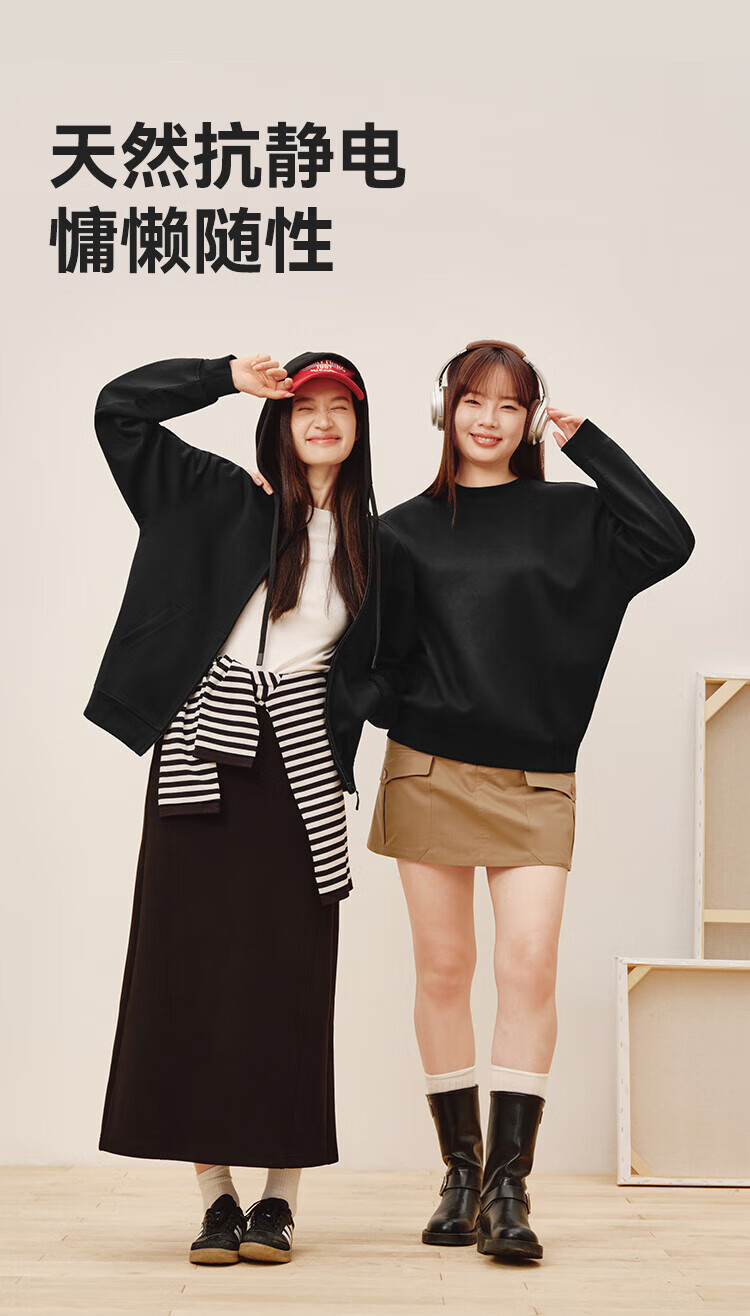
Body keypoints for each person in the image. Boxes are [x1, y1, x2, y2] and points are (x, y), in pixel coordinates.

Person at [365, 339, 695, 1261]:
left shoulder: (575, 516)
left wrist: (590, 444)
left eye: (510, 405)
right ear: (446, 410)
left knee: (529, 967)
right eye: (473, 400)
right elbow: (380, 662)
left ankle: (509, 1188)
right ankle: (460, 1173)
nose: (488, 419)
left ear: (529, 420)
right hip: (429, 769)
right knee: (443, 969)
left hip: (537, 778)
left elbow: (669, 540)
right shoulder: (403, 530)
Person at [85, 348, 381, 1265]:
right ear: (279, 421)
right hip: (200, 755)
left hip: (300, 768)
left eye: (339, 407)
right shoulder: (218, 496)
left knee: (292, 979)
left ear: (360, 427)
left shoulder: (381, 543)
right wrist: (221, 376)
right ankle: (215, 1197)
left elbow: (397, 662)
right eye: (304, 405)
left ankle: (279, 1201)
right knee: (191, 975)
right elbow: (118, 411)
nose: (322, 420)